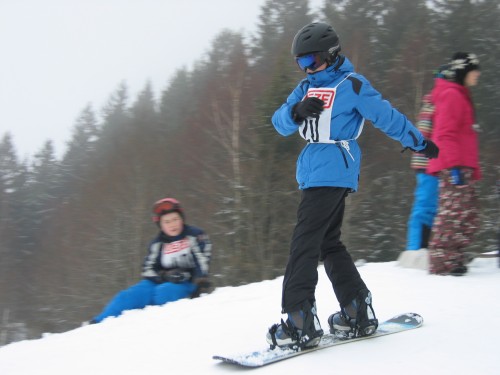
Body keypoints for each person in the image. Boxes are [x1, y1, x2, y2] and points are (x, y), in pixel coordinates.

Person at [266, 22, 439, 349]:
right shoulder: (304, 89)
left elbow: (387, 117)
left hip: (333, 170)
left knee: (304, 244)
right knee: (328, 243)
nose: (307, 68)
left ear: (331, 55)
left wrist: (418, 143)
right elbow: (278, 124)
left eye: (312, 61)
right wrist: (295, 111)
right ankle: (356, 310)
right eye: (300, 63)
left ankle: (298, 321)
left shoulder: (353, 85)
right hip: (315, 172)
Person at [90, 198, 212, 323]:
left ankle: (153, 323)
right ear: (161, 225)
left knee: (165, 292)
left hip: (185, 281)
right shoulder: (157, 244)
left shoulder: (194, 236)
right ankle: (98, 323)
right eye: (167, 222)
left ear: (182, 219)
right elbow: (147, 269)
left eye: (175, 219)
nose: (172, 224)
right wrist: (164, 275)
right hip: (159, 280)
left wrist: (200, 280)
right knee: (129, 296)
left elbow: (202, 258)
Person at [427, 52, 481, 276]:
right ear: (462, 71)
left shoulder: (459, 94)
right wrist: (453, 166)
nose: (477, 74)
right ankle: (442, 261)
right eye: (473, 70)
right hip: (454, 165)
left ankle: (455, 255)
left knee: (468, 213)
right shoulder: (452, 94)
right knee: (452, 214)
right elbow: (444, 133)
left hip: (464, 164)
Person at [399, 93, 440, 269]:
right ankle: (416, 250)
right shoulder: (433, 104)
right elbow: (423, 134)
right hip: (428, 163)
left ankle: (422, 248)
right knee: (425, 207)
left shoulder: (433, 103)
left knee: (428, 206)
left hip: (429, 162)